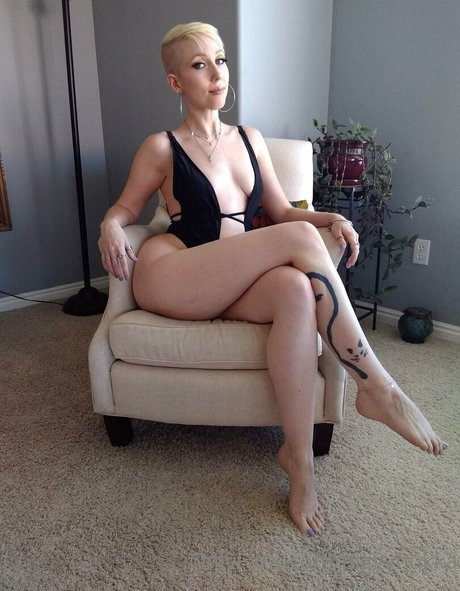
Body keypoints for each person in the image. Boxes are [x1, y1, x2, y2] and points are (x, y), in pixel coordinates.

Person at [98, 22, 447, 537]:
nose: (216, 73)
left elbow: (283, 213)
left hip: (233, 280)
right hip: (172, 272)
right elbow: (126, 208)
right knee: (300, 247)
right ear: (176, 82)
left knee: (295, 291)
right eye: (199, 65)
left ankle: (298, 461)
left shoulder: (250, 140)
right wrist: (110, 224)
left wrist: (331, 217)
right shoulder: (161, 147)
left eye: (220, 60)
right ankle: (378, 387)